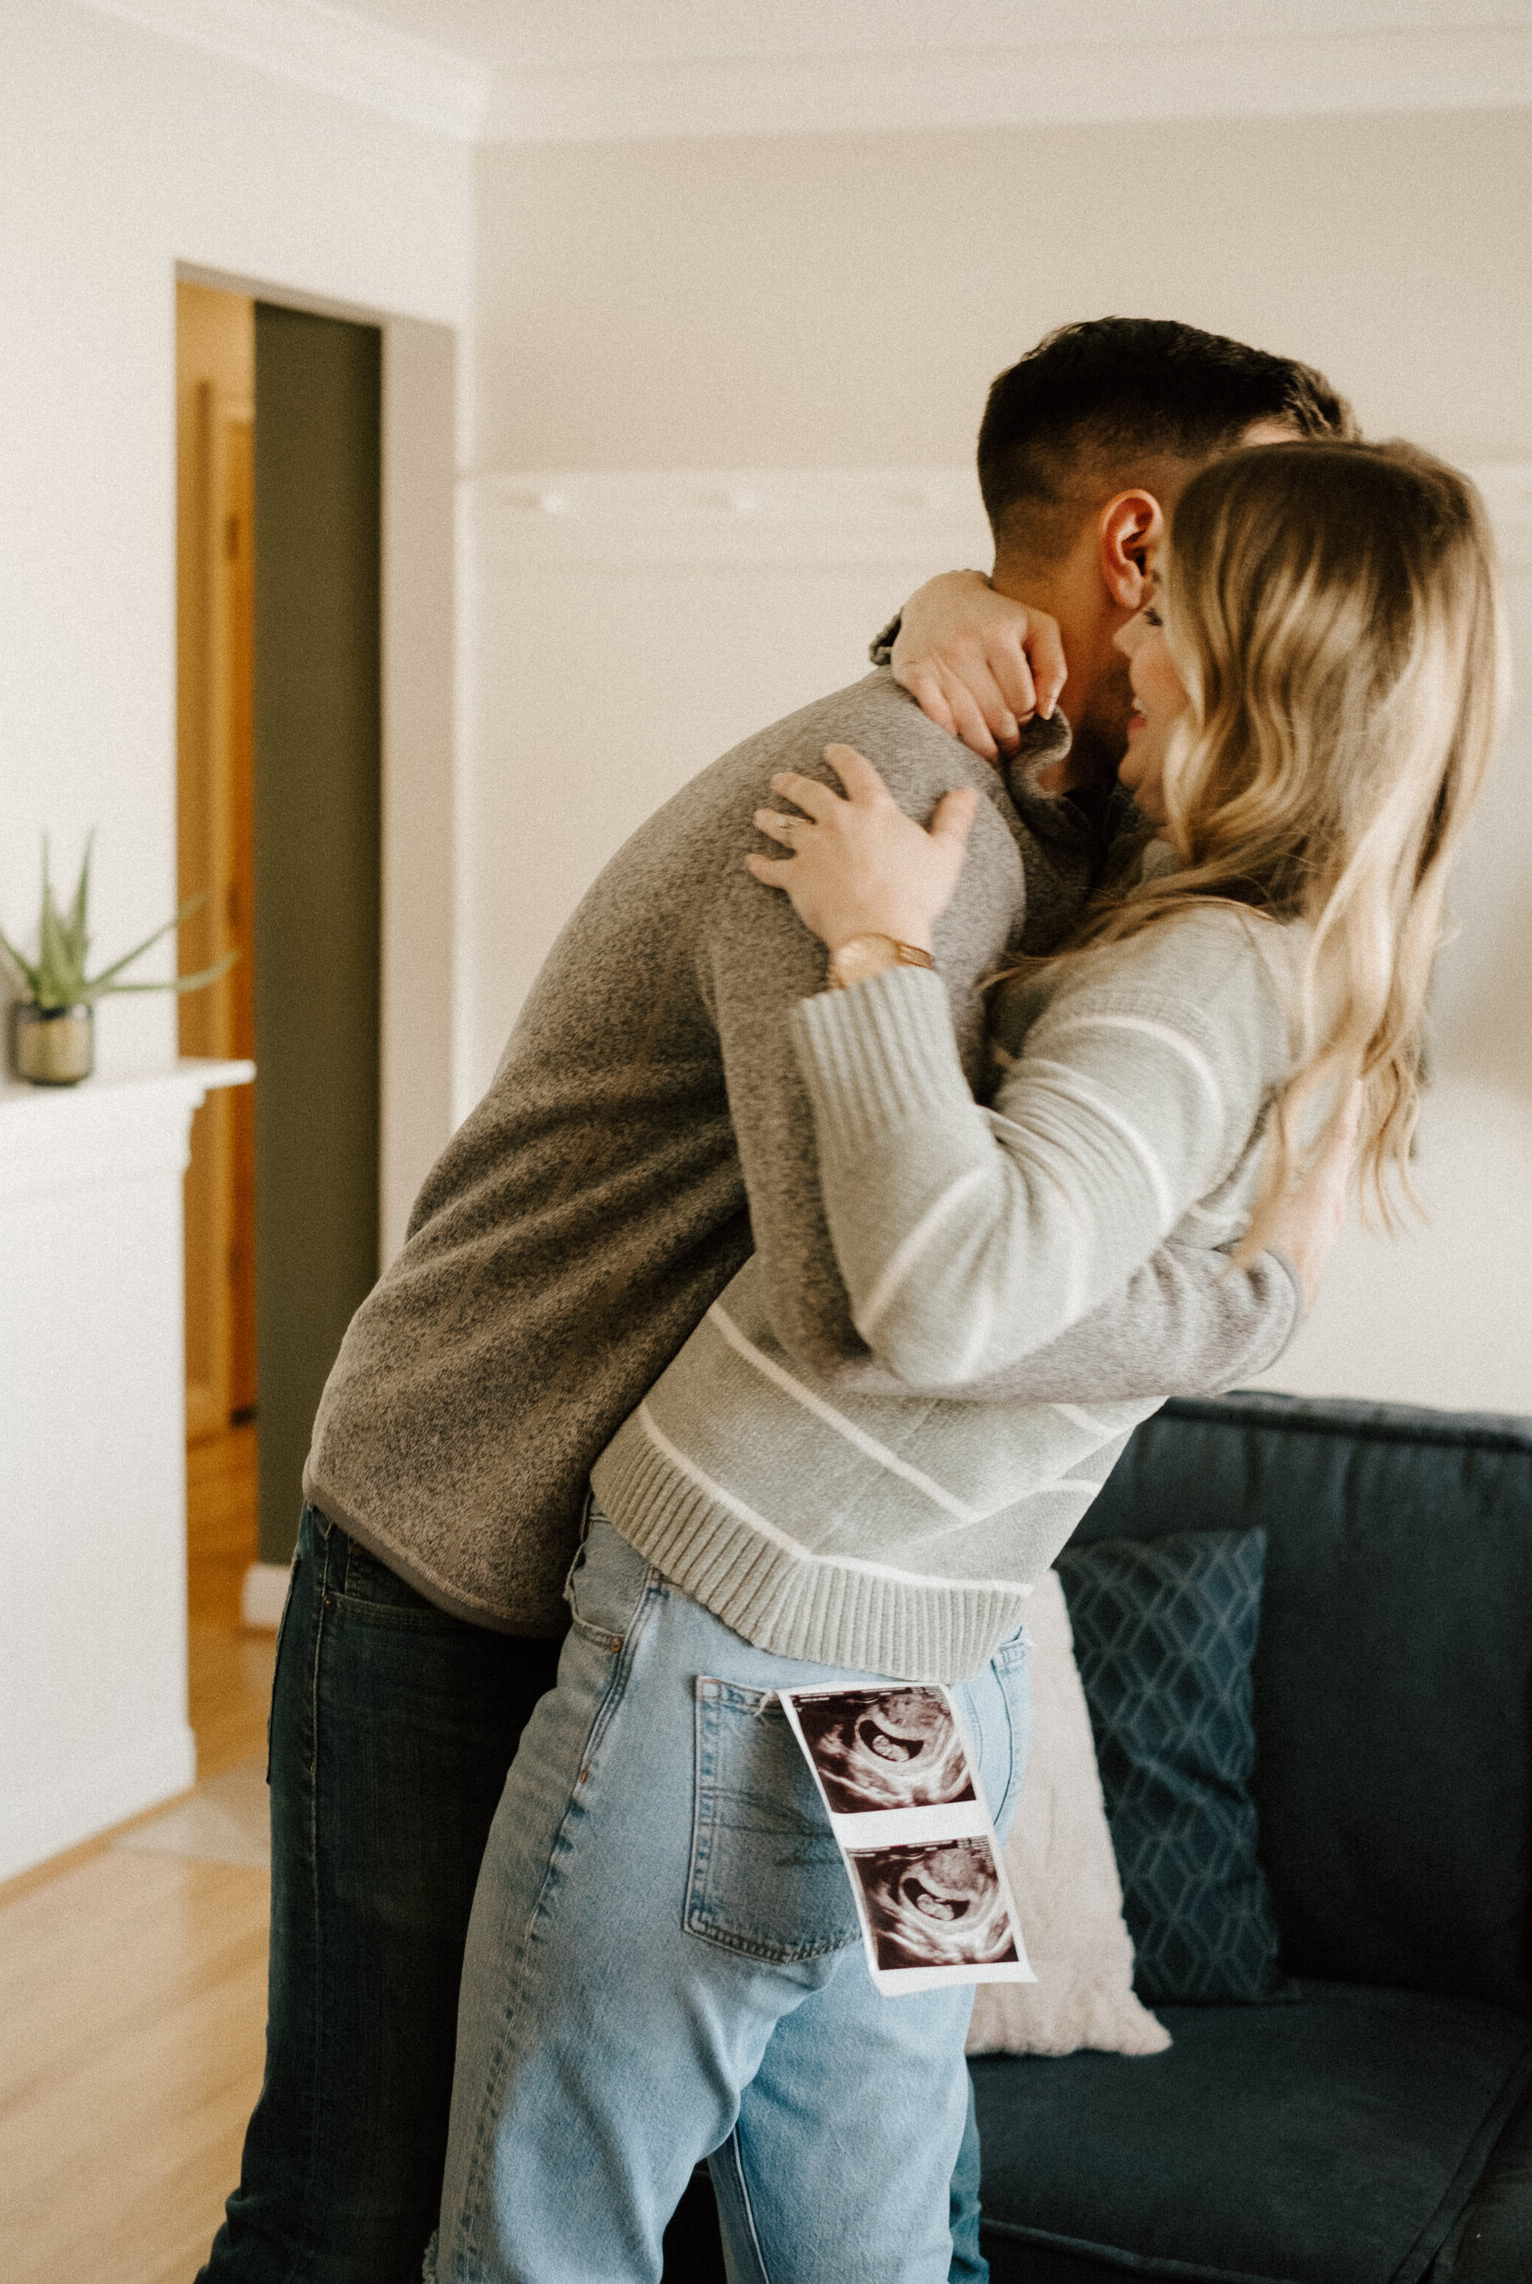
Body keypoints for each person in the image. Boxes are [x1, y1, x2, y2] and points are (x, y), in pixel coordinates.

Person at [197, 320, 1361, 2284]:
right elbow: (878, 1303)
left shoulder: (1113, 816)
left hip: (913, 1655)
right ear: (1148, 548)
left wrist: (931, 610)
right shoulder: (905, 808)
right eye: (1263, 524)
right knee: (361, 2193)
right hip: (488, 1556)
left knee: (898, 2203)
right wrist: (1235, 1315)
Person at [428, 436, 1507, 2284]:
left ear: (1251, 659)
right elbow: (1077, 1290)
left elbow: (948, 1291)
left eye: (1166, 620)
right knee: (870, 2223)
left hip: (742, 1649)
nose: (1128, 651)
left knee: (545, 2229)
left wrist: (871, 948)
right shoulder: (1282, 948)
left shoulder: (1192, 983)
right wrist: (933, 615)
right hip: (925, 1666)